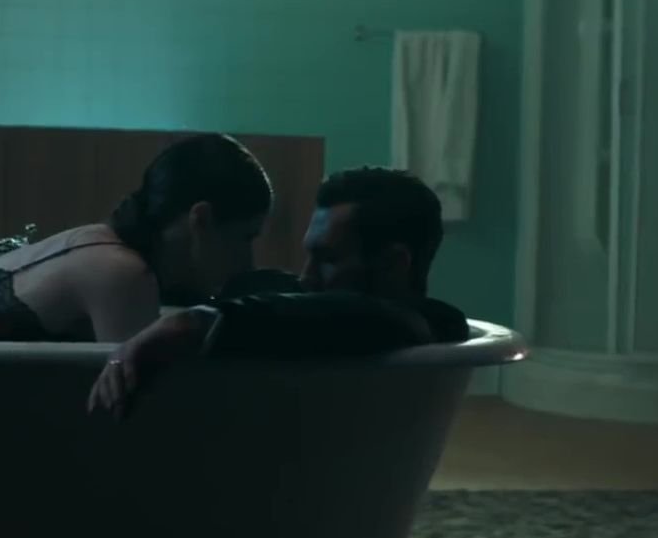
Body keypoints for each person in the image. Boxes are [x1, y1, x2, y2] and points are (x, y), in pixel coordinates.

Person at [87, 167, 468, 417]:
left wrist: (192, 324)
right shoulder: (295, 301)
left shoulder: (416, 325)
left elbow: (363, 317)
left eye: (328, 259)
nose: (307, 276)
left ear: (393, 263)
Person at [0, 133, 273, 343]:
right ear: (201, 220)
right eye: (245, 237)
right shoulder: (123, 275)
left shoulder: (99, 241)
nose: (248, 260)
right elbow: (135, 418)